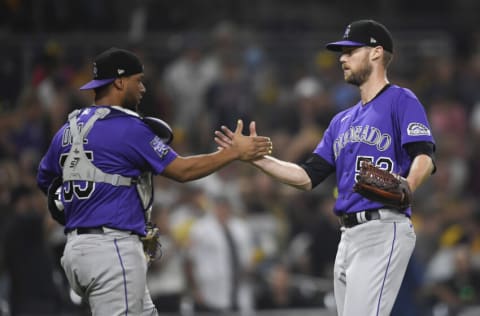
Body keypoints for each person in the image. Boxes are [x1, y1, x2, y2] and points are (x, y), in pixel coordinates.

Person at [215, 19, 436, 316]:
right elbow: (307, 176)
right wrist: (257, 159)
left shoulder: (401, 100)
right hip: (347, 236)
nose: (342, 58)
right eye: (341, 52)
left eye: (350, 50)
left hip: (384, 227)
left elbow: (424, 155)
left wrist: (409, 185)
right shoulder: (340, 121)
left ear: (376, 52)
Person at [35, 47, 272, 316]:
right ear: (120, 82)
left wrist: (82, 208)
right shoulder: (128, 127)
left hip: (77, 251)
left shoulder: (69, 129)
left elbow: (46, 180)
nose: (143, 88)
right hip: (112, 251)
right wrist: (234, 153)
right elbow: (182, 171)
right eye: (138, 80)